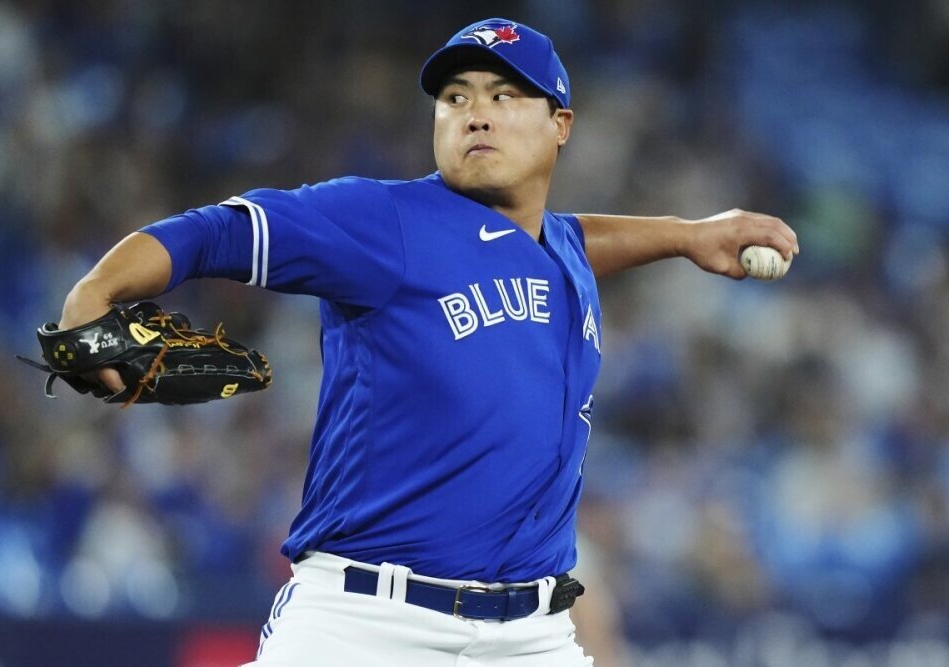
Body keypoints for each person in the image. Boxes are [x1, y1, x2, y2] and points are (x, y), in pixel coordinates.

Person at [56, 18, 798, 667]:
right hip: (368, 624)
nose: (476, 113)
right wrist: (96, 292)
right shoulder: (384, 221)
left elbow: (569, 238)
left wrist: (689, 235)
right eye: (456, 97)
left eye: (504, 96)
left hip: (529, 635)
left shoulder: (556, 249)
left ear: (560, 124)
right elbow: (221, 228)